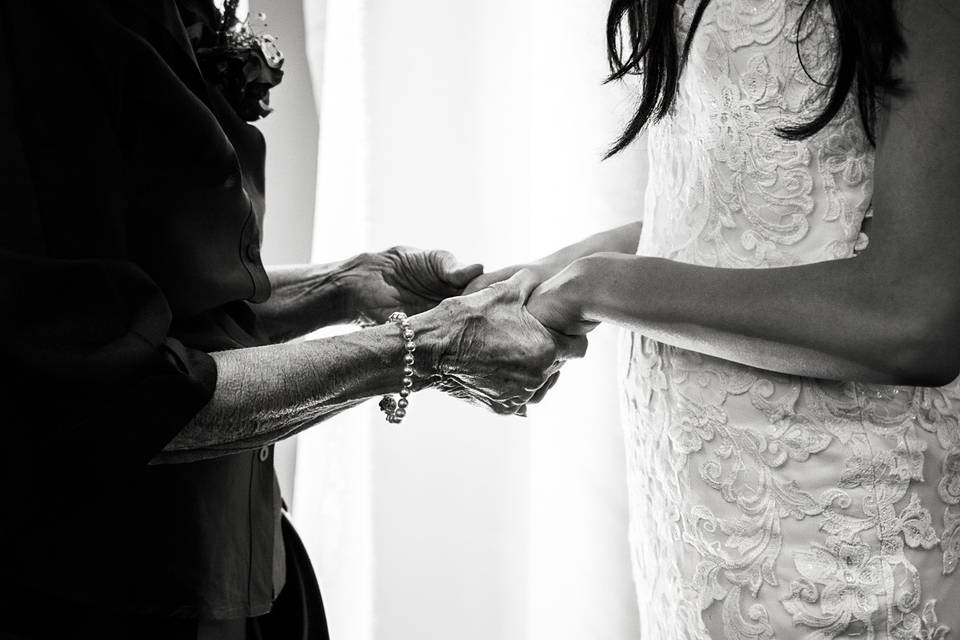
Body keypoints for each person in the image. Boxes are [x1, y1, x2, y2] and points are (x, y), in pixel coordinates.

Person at [0, 2, 584, 639]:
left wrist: (350, 285)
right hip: (100, 587)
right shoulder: (27, 37)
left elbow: (159, 309)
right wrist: (427, 351)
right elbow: (107, 386)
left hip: (246, 551)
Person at [467, 0, 960, 637]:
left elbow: (914, 317)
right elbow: (754, 217)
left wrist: (598, 286)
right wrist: (552, 272)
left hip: (840, 517)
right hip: (687, 498)